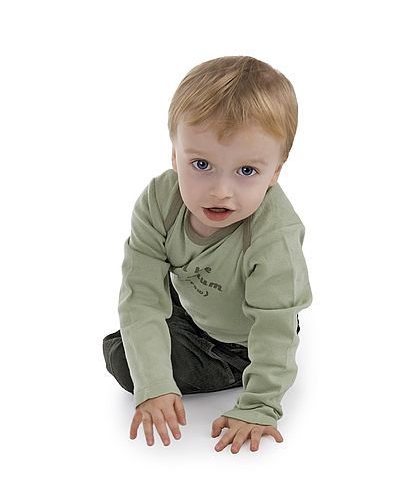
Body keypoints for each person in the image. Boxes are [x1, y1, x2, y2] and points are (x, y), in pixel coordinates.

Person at [103, 55, 312, 454]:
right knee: (130, 346)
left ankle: (212, 361)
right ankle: (168, 348)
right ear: (174, 156)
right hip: (192, 307)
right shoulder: (159, 202)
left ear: (276, 172)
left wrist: (258, 406)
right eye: (201, 164)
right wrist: (156, 386)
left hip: (240, 343)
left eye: (246, 171)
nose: (221, 191)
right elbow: (142, 294)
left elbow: (274, 329)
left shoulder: (273, 236)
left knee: (121, 356)